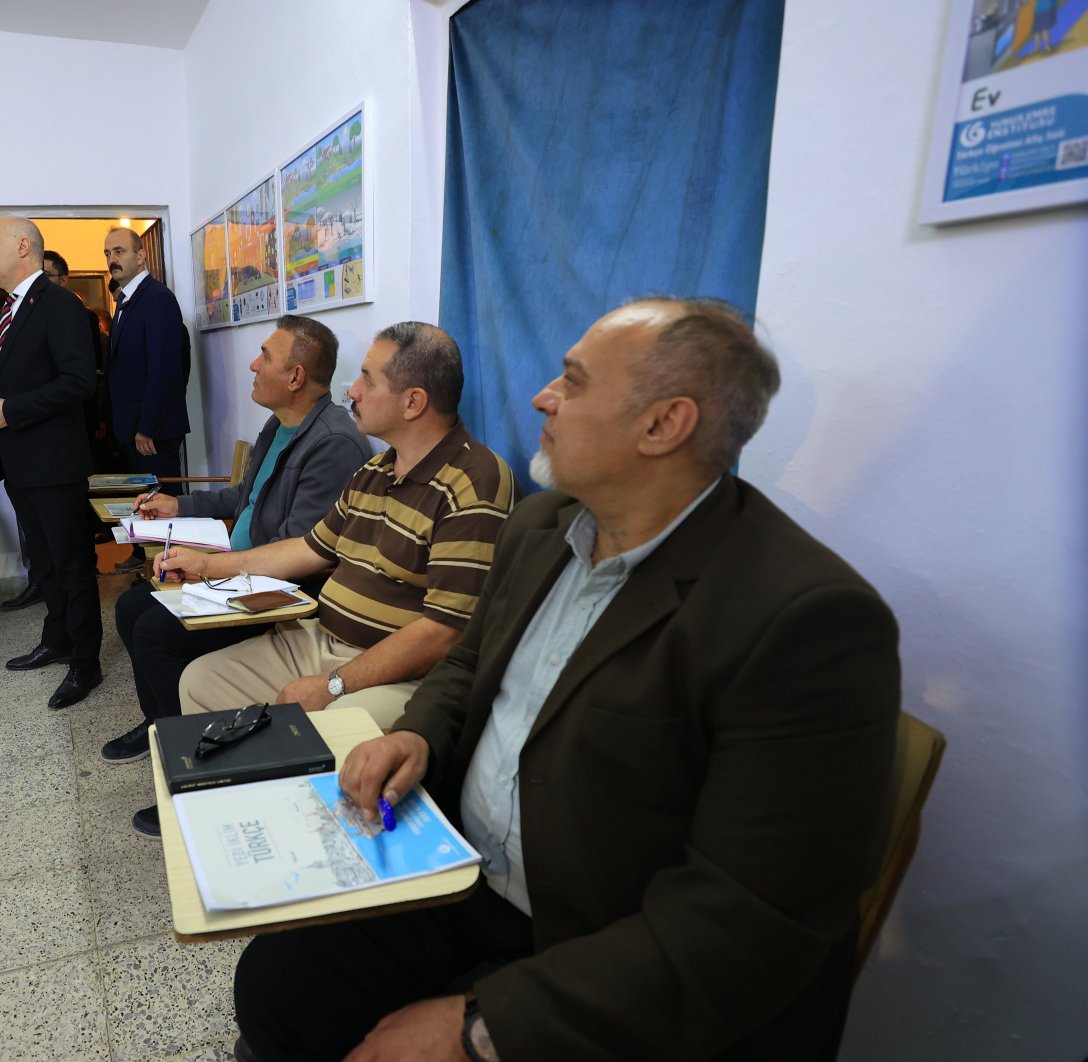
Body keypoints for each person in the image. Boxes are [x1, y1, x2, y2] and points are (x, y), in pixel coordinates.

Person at [231, 298, 903, 1062]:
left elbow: (746, 922)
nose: (540, 396)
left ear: (663, 425)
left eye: (573, 382)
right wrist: (417, 733)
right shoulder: (543, 528)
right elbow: (466, 664)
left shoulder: (805, 621)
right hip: (467, 877)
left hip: (601, 941)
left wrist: (481, 1027)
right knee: (276, 986)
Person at [159, 321, 515, 760]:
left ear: (413, 402)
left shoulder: (474, 483)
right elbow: (309, 548)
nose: (353, 391)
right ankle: (234, 799)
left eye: (367, 378)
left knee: (328, 728)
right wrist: (207, 566)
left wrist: (333, 684)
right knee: (200, 681)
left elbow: (444, 633)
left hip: (403, 674)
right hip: (322, 641)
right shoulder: (375, 471)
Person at [101, 316, 372, 835]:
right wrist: (175, 503)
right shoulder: (278, 425)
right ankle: (163, 727)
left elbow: (298, 552)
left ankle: (193, 770)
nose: (253, 364)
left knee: (157, 630)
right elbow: (242, 500)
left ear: (294, 376)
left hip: (277, 591)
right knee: (134, 606)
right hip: (238, 567)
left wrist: (208, 571)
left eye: (265, 356)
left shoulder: (334, 444)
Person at [0, 214, 102, 710]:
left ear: (21, 246)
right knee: (44, 564)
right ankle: (58, 638)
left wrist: (12, 409)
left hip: (55, 464)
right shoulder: (5, 313)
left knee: (71, 565)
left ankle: (86, 662)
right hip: (20, 462)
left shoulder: (61, 305)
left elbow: (79, 383)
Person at [103, 225, 190, 484]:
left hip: (152, 435)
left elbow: (163, 370)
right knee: (146, 513)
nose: (112, 260)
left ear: (141, 257)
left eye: (119, 251)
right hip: (133, 431)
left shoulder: (157, 298)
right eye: (107, 253)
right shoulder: (126, 301)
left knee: (162, 512)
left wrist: (147, 428)